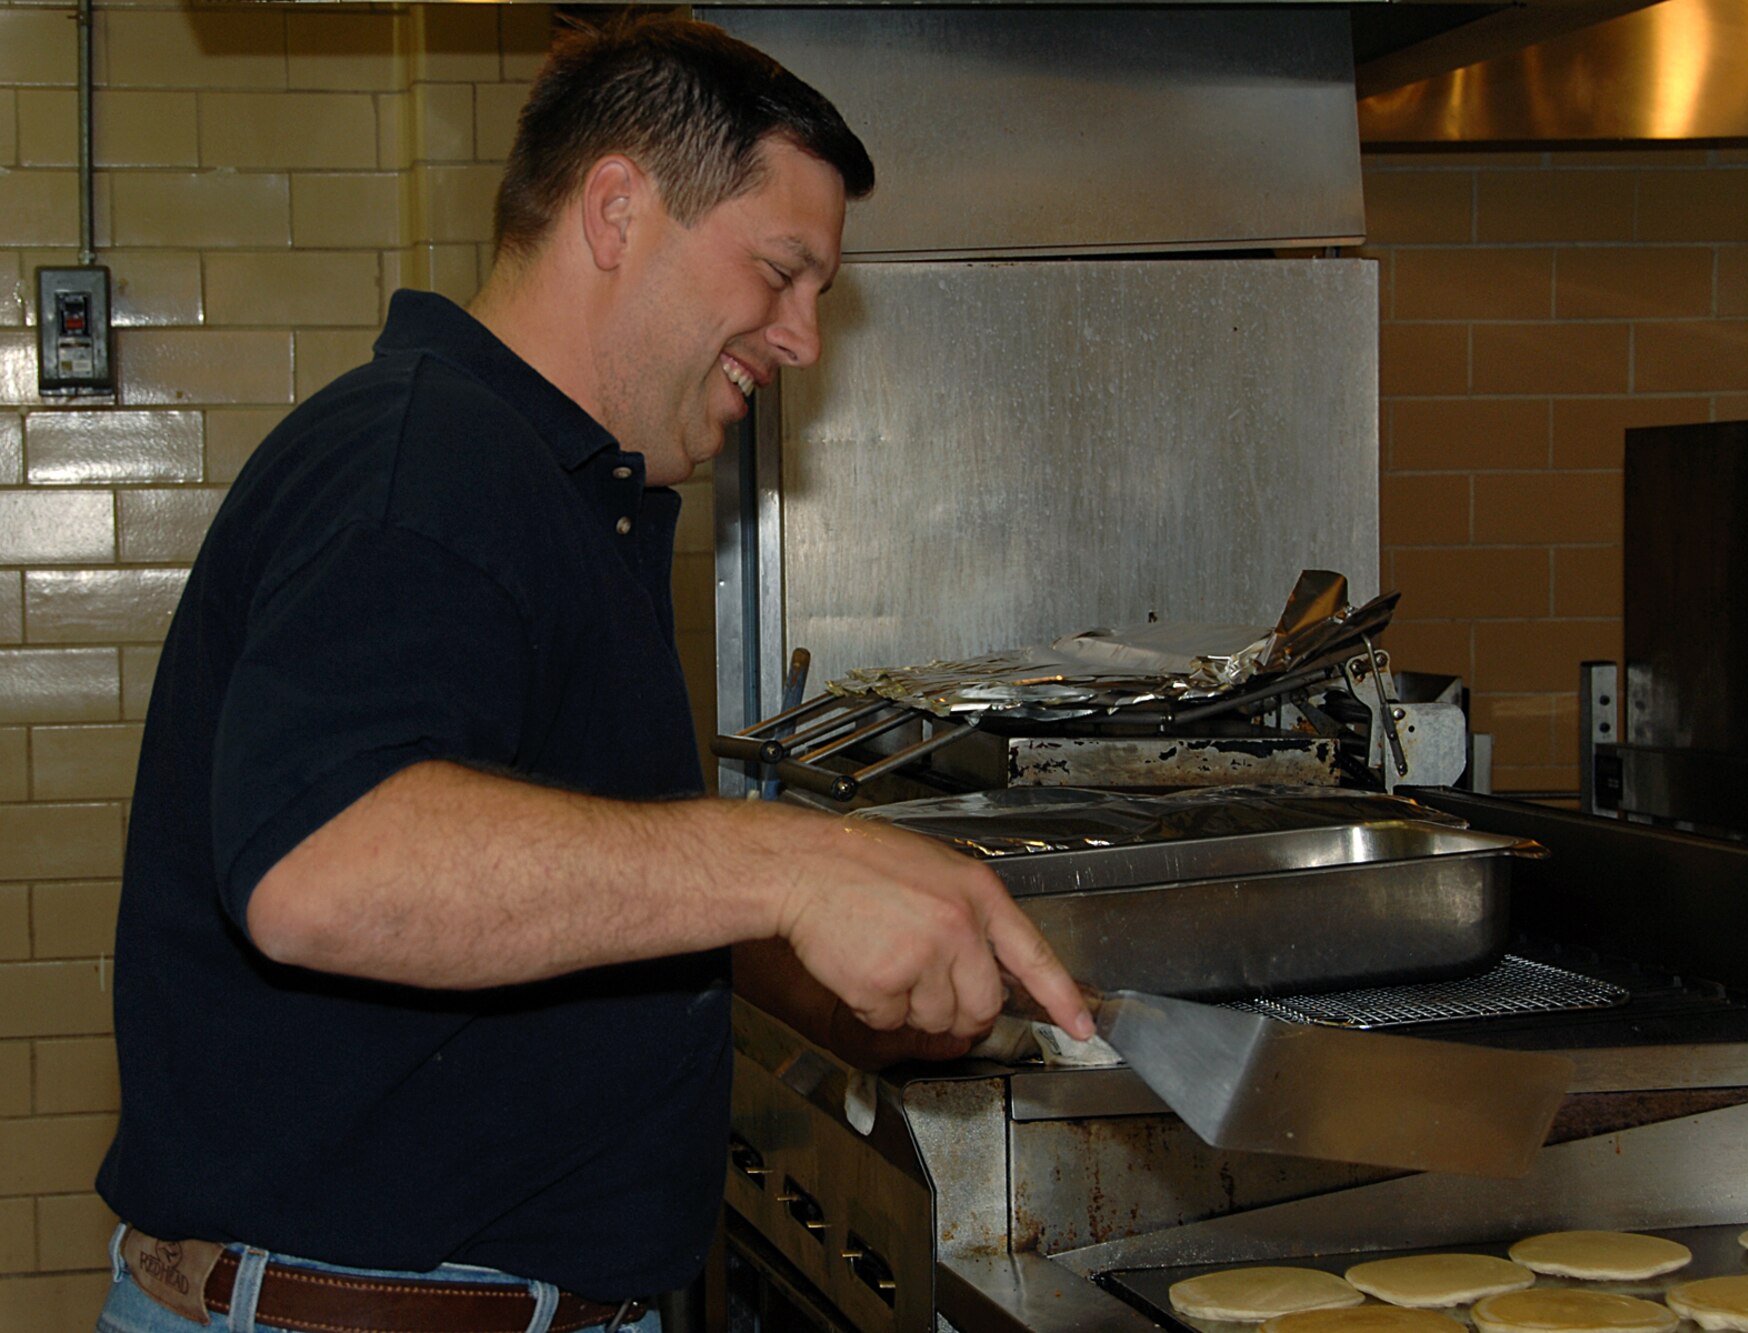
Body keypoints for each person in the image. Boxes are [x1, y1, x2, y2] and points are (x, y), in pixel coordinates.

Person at [94, 15, 1092, 1333]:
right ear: (618, 211)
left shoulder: (554, 493)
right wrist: (792, 866)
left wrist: (821, 963)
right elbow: (320, 868)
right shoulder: (426, 466)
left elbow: (543, 895)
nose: (802, 338)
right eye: (780, 272)